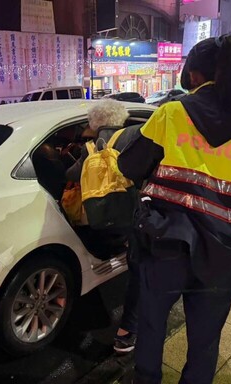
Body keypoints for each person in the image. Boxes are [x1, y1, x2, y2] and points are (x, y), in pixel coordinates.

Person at [117, 35, 231, 384]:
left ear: (193, 75)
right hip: (226, 252)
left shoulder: (172, 113)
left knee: (150, 327)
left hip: (166, 244)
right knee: (205, 343)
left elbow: (130, 167)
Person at [66, 99, 141, 354]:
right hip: (131, 216)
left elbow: (72, 176)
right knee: (140, 269)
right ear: (121, 117)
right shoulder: (133, 135)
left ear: (94, 123)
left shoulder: (88, 148)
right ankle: (131, 328)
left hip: (100, 218)